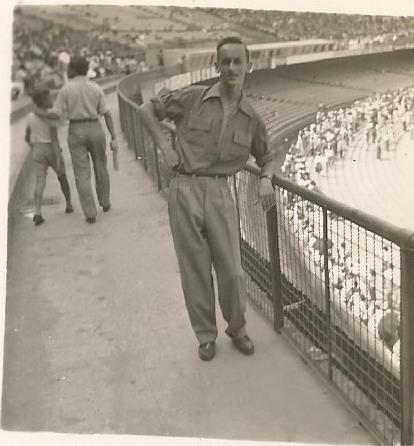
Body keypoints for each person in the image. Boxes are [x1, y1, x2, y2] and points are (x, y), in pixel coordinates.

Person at [139, 36, 275, 361]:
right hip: (184, 188)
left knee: (232, 270)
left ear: (248, 66)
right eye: (225, 61)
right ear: (216, 65)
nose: (231, 67)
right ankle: (205, 335)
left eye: (237, 61)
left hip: (220, 191)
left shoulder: (251, 118)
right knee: (194, 269)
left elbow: (267, 157)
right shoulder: (192, 97)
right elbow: (146, 110)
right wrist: (166, 148)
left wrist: (266, 179)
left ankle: (237, 329)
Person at [35, 56, 119, 224]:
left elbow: (56, 114)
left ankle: (90, 213)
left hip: (76, 129)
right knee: (101, 167)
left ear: (73, 69)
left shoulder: (66, 89)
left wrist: (40, 115)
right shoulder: (95, 87)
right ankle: (105, 202)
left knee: (82, 173)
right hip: (95, 127)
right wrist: (113, 136)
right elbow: (107, 114)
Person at [25, 86, 73, 226]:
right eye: (49, 97)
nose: (51, 99)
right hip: (51, 149)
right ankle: (69, 204)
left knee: (40, 182)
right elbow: (54, 139)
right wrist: (57, 157)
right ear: (43, 100)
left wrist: (34, 147)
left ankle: (38, 212)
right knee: (62, 177)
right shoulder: (50, 118)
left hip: (37, 150)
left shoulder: (30, 117)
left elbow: (27, 137)